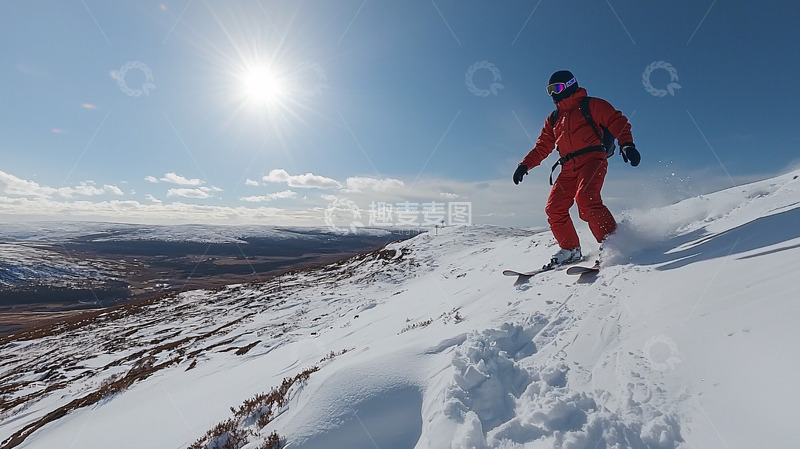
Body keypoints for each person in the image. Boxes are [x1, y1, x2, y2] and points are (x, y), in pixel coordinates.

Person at [513, 70, 640, 268]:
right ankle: (570, 249)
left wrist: (627, 144)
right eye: (549, 90)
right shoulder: (554, 118)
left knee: (586, 199)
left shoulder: (591, 105)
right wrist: (525, 165)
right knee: (554, 208)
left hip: (592, 159)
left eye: (557, 88)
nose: (554, 94)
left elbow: (617, 121)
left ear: (570, 84)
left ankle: (613, 245)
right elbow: (542, 146)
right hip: (567, 166)